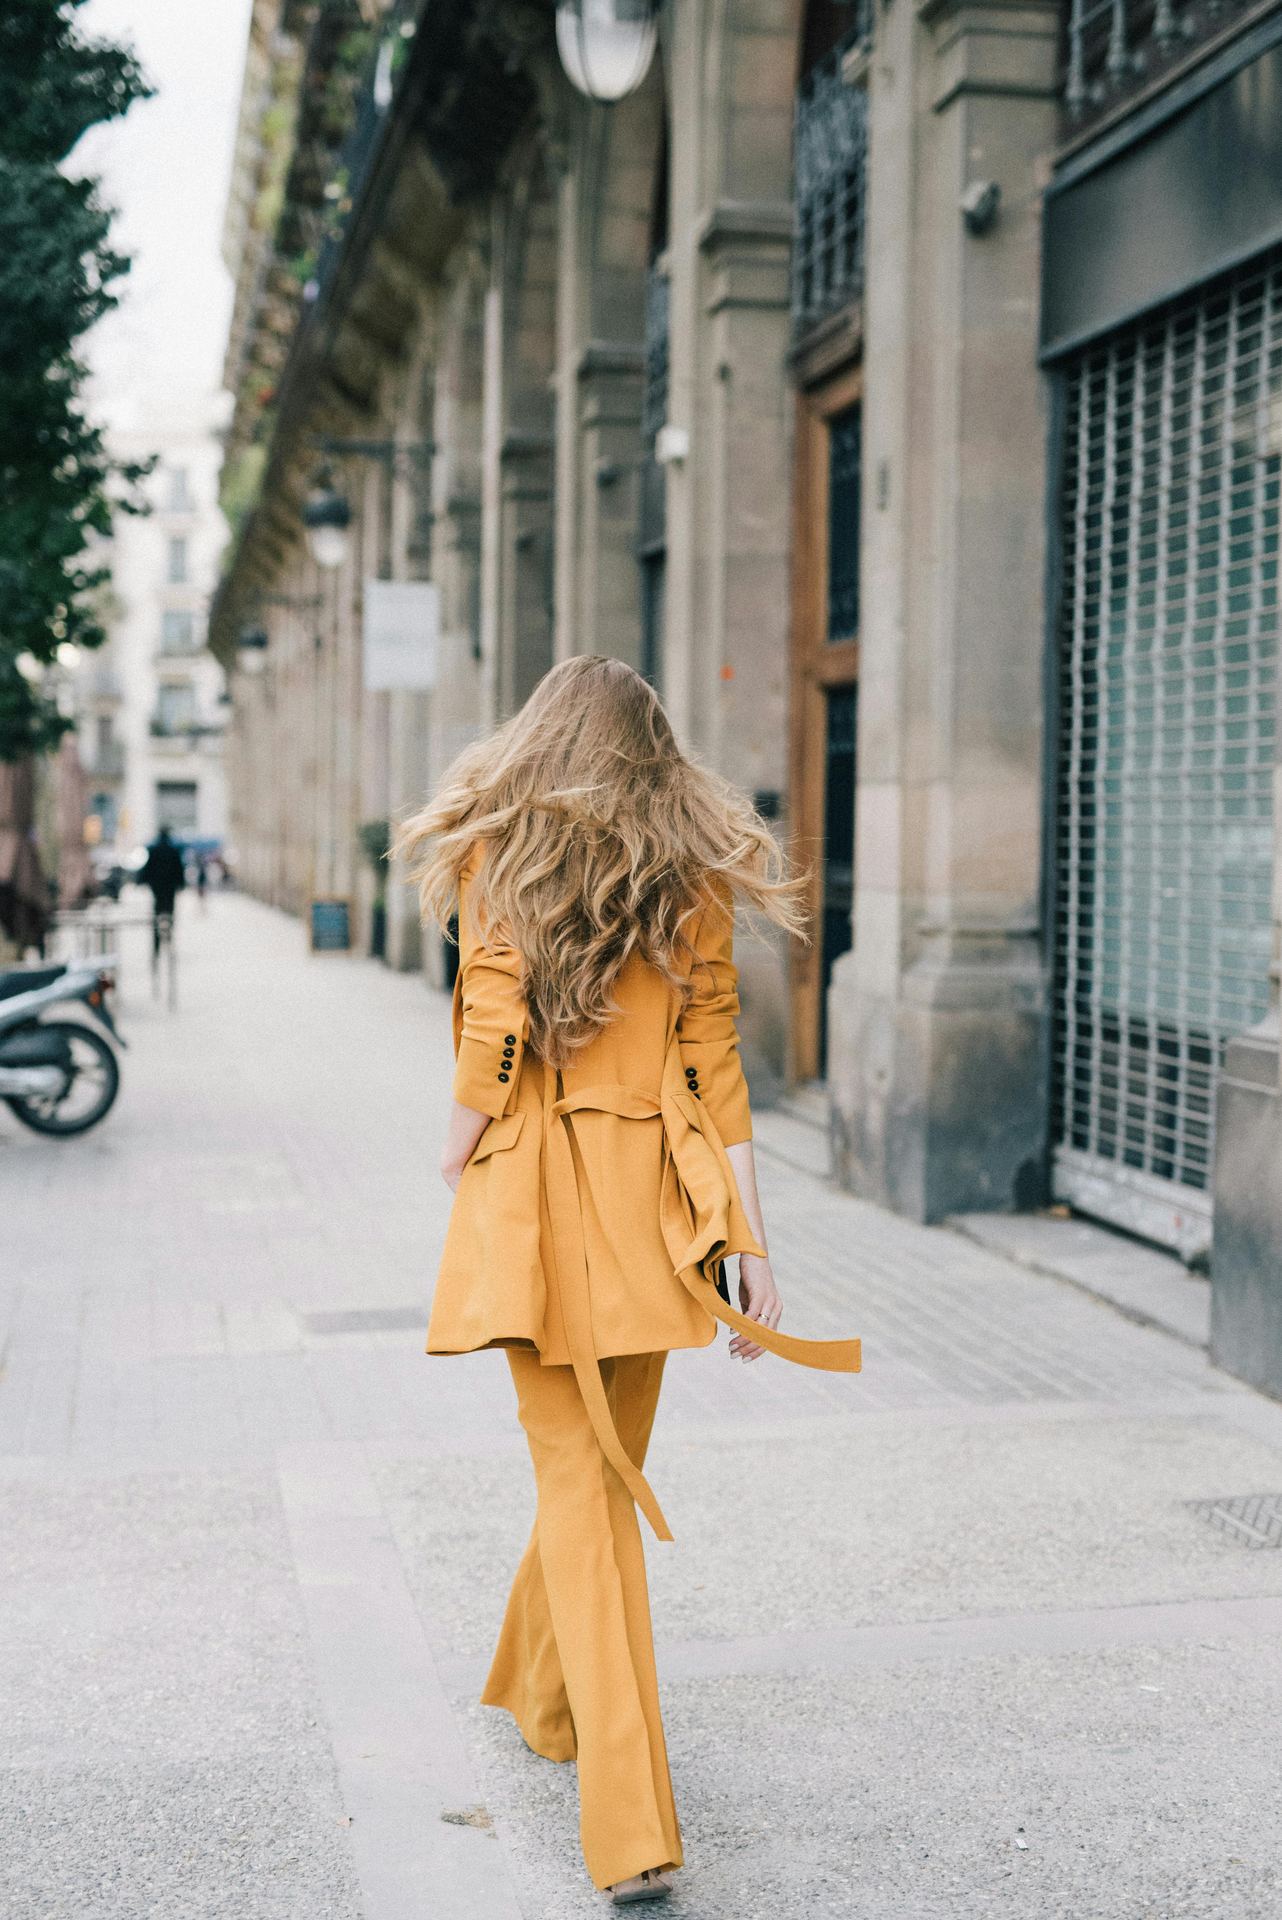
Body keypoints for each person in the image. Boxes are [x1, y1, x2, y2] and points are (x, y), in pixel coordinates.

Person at [398, 657, 861, 1905]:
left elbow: (492, 1029)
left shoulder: (504, 858)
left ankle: (625, 1817)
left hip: (540, 1199)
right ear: (656, 756)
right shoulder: (690, 882)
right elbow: (713, 1062)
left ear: (537, 746)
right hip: (653, 1210)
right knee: (597, 1474)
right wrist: (749, 1242)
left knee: (583, 1486)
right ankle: (556, 1717)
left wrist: (453, 1160)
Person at [139, 825, 185, 954]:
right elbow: (179, 869)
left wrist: (142, 881)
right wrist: (181, 884)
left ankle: (157, 942)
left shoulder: (154, 850)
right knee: (169, 910)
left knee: (157, 911)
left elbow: (147, 868)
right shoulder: (173, 850)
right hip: (170, 887)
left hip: (157, 887)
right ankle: (169, 937)